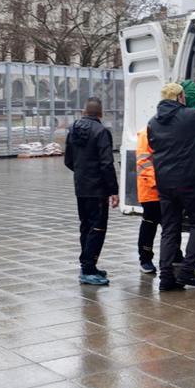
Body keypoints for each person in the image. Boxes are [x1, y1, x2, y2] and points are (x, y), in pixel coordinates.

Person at [146, 82, 195, 291]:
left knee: (170, 228)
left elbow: (154, 146)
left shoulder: (153, 122)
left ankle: (166, 278)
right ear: (181, 97)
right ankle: (188, 271)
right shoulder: (189, 115)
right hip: (189, 181)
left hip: (164, 183)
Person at [64, 97, 118, 286]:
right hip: (98, 189)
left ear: (84, 111)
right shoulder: (101, 132)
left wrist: (82, 173)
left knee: (85, 226)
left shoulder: (73, 130)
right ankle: (87, 269)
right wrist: (113, 190)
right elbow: (106, 163)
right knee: (98, 228)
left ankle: (88, 265)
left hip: (81, 187)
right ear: (100, 114)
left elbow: (68, 160)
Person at [134, 128, 182, 275]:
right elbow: (143, 161)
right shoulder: (146, 133)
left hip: (168, 188)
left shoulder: (171, 131)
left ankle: (175, 254)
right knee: (150, 223)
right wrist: (158, 183)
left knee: (172, 224)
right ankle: (145, 259)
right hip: (151, 189)